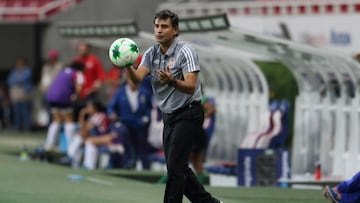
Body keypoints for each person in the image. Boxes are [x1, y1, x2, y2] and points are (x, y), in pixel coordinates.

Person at [125, 9, 222, 203]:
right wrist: (127, 64)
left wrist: (172, 82)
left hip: (190, 112)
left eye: (165, 26)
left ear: (175, 30)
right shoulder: (151, 53)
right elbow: (136, 79)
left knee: (176, 167)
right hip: (169, 115)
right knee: (176, 166)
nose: (159, 30)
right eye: (157, 26)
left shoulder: (186, 51)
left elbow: (190, 86)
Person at [107, 70, 153, 170]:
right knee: (124, 136)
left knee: (141, 146)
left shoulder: (145, 93)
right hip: (125, 122)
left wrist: (146, 118)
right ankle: (127, 163)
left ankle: (145, 167)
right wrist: (112, 114)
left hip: (139, 124)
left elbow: (150, 108)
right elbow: (111, 107)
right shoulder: (121, 92)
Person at [43, 61, 85, 156]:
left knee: (56, 120)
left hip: (51, 97)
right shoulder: (78, 73)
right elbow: (79, 88)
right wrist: (76, 97)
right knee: (68, 121)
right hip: (64, 97)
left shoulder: (63, 72)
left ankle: (49, 144)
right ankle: (71, 147)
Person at [68, 100, 120, 170]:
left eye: (89, 107)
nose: (87, 109)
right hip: (96, 138)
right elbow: (83, 129)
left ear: (95, 108)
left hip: (106, 138)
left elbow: (84, 130)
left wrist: (82, 115)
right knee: (83, 140)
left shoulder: (100, 116)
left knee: (82, 138)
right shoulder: (91, 117)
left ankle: (71, 156)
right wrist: (82, 116)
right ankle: (83, 164)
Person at [73, 41, 106, 121]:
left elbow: (101, 77)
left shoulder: (94, 60)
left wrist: (92, 89)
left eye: (84, 48)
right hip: (79, 95)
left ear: (88, 49)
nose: (82, 50)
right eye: (80, 48)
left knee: (91, 116)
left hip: (90, 95)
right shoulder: (76, 61)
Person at [7, 57, 33, 131]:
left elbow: (24, 79)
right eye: (18, 62)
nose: (19, 63)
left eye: (21, 62)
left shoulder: (27, 70)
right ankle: (16, 126)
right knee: (16, 111)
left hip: (24, 93)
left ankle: (27, 127)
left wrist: (16, 80)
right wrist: (17, 80)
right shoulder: (14, 71)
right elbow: (9, 81)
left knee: (25, 111)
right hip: (15, 94)